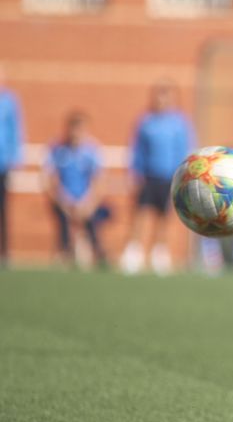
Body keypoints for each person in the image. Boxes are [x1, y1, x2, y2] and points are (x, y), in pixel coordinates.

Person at [120, 80, 195, 275]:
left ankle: (159, 253)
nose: (162, 101)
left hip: (170, 177)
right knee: (140, 213)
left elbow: (185, 150)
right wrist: (133, 172)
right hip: (148, 175)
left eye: (167, 97)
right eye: (159, 97)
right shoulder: (146, 122)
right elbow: (137, 149)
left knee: (164, 216)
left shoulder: (180, 123)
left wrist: (184, 176)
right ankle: (133, 252)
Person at [44, 111, 109, 268]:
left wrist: (88, 203)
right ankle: (64, 252)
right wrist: (64, 201)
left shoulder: (92, 151)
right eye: (74, 128)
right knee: (63, 219)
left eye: (81, 129)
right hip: (64, 201)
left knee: (93, 217)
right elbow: (49, 181)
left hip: (86, 201)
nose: (77, 133)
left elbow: (100, 181)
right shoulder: (57, 149)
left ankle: (98, 252)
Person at [0, 64, 24, 266]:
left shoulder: (9, 101)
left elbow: (15, 130)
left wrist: (15, 157)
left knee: (2, 209)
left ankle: (4, 252)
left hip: (2, 163)